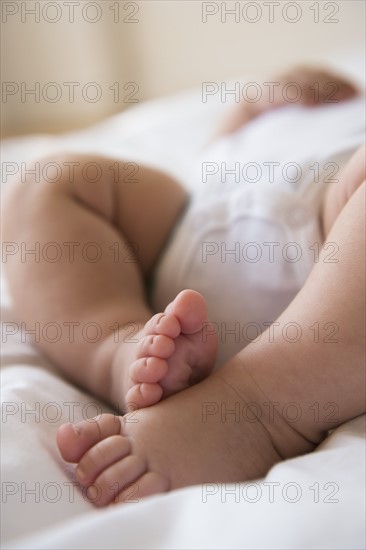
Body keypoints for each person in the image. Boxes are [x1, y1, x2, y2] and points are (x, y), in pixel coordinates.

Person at [3, 67, 365, 506]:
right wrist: (253, 105)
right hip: (187, 229)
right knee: (46, 181)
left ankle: (260, 410)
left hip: (336, 247)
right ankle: (122, 350)